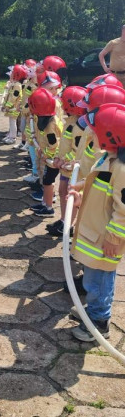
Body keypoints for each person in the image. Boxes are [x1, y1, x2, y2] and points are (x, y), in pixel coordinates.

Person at [68, 103, 125, 341]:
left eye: (96, 130)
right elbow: (97, 185)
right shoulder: (108, 157)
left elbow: (123, 208)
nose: (92, 133)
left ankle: (99, 320)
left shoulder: (121, 168)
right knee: (93, 276)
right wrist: (81, 193)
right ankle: (92, 310)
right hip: (95, 234)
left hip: (105, 239)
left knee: (99, 279)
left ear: (110, 135)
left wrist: (114, 237)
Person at [46, 86, 87, 237]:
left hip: (73, 169)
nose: (61, 106)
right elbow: (64, 143)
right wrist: (58, 156)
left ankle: (69, 225)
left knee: (70, 195)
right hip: (65, 167)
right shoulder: (70, 120)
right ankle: (64, 220)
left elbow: (77, 150)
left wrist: (64, 160)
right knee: (62, 191)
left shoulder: (80, 126)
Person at [28, 88, 63, 217]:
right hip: (49, 157)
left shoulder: (50, 126)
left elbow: (54, 145)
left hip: (52, 160)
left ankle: (48, 208)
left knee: (48, 182)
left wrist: (45, 154)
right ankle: (44, 203)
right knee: (45, 180)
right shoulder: (45, 119)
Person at [1, 64, 27, 144]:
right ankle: (10, 135)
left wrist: (8, 106)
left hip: (14, 107)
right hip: (10, 107)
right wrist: (4, 104)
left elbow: (14, 97)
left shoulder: (17, 85)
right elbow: (8, 96)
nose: (11, 73)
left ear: (17, 74)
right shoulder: (14, 84)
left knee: (13, 122)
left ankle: (13, 138)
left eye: (13, 72)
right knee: (11, 122)